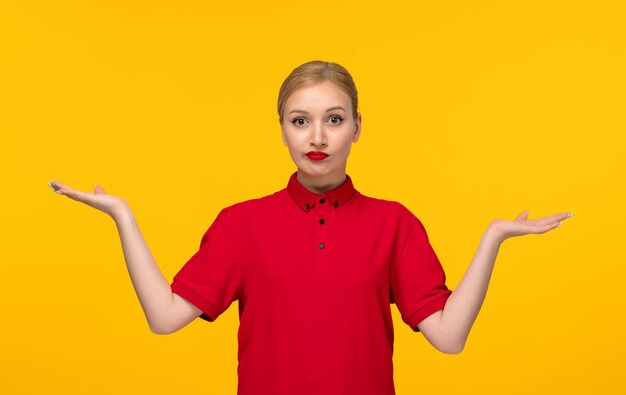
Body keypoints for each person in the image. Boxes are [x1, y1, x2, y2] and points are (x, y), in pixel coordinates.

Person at [48, 60, 574, 395]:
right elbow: (164, 318)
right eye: (300, 120)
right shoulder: (241, 224)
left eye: (334, 118)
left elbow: (450, 337)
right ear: (282, 131)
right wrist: (124, 216)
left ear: (357, 128)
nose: (317, 136)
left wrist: (492, 239)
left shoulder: (394, 223)